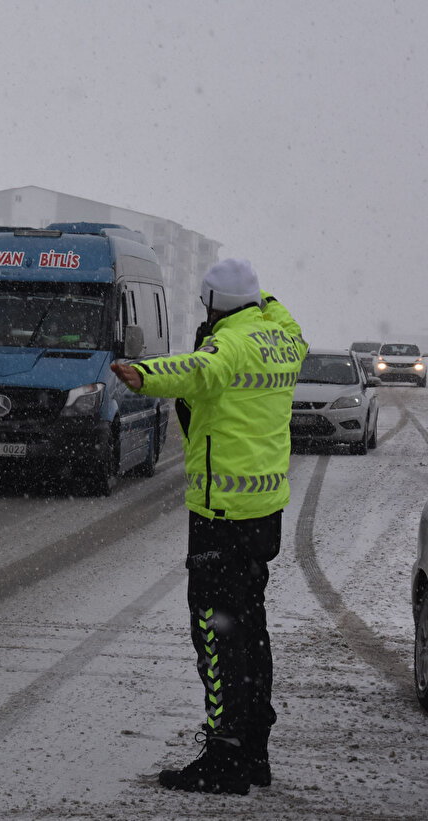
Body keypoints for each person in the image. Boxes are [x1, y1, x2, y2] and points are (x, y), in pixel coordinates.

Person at [109, 259, 307, 795]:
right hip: (262, 511)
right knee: (251, 630)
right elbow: (282, 324)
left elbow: (197, 371)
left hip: (221, 511)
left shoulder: (230, 345)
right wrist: (260, 302)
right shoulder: (282, 338)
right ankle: (254, 751)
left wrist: (141, 374)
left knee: (215, 633)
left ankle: (224, 754)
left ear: (216, 303)